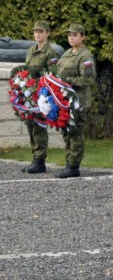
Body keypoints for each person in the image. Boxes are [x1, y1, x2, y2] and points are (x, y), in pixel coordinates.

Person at [53, 23, 97, 178]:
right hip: (66, 101)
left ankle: (73, 167)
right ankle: (69, 163)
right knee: (67, 133)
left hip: (79, 102)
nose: (71, 38)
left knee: (75, 133)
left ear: (82, 37)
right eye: (69, 35)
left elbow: (88, 79)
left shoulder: (85, 56)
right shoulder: (67, 53)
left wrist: (67, 80)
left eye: (75, 35)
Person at [21, 20, 59, 174]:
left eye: (41, 31)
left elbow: (53, 75)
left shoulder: (51, 53)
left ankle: (40, 160)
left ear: (47, 34)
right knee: (31, 125)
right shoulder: (31, 50)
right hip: (30, 94)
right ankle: (35, 158)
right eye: (36, 31)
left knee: (39, 126)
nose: (37, 34)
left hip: (42, 94)